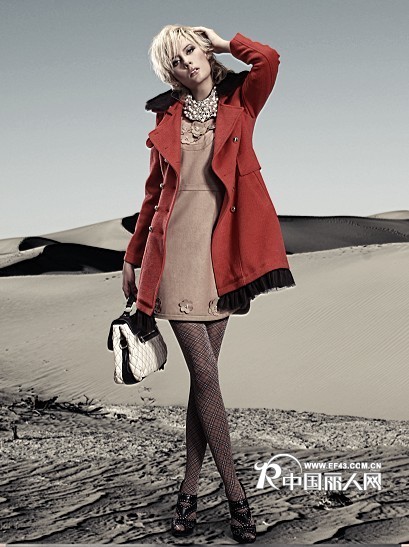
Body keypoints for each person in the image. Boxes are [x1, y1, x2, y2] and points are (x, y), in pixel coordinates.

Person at [122, 25, 296, 543]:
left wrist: (224, 42)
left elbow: (268, 59)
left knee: (204, 384)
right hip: (173, 255)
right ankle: (237, 496)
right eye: (175, 59)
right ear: (169, 72)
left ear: (205, 51)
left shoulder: (241, 101)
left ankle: (188, 493)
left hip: (223, 257)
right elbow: (152, 195)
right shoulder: (165, 119)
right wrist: (132, 256)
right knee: (205, 375)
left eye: (191, 50)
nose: (188, 62)